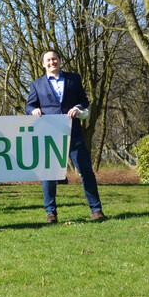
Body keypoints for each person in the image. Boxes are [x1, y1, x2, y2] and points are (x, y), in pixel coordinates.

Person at [25, 49, 106, 224]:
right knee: (49, 174)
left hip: (74, 132)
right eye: (48, 60)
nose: (51, 62)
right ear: (43, 64)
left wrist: (77, 107)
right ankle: (51, 213)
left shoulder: (74, 79)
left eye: (54, 59)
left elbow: (84, 100)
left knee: (86, 171)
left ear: (60, 61)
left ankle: (96, 209)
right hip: (50, 134)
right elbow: (28, 106)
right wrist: (34, 110)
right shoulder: (36, 85)